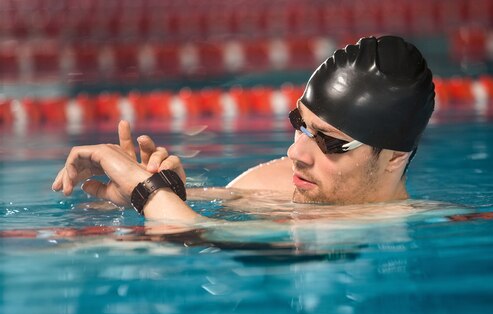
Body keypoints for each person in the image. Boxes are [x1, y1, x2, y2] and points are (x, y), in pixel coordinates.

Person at [51, 36, 436, 223]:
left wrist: (144, 189)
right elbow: (188, 211)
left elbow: (199, 232)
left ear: (394, 158)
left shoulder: (389, 224)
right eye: (300, 124)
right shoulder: (277, 182)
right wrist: (160, 190)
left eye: (331, 142)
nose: (296, 154)